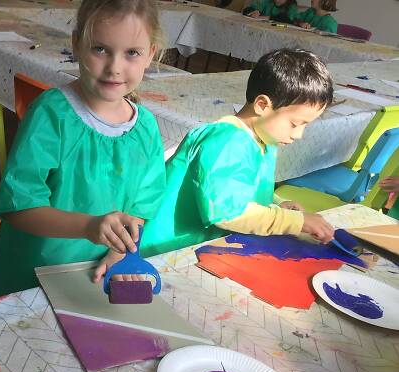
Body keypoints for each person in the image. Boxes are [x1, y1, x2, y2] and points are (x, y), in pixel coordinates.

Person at [0, 0, 166, 301]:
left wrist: (118, 251)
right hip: (30, 275)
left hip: (95, 278)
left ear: (150, 54)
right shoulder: (52, 115)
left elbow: (142, 207)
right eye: (100, 49)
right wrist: (89, 226)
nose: (115, 67)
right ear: (76, 44)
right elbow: (18, 206)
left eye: (132, 53)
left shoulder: (146, 129)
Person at [142, 48, 336, 257]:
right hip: (166, 251)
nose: (298, 135)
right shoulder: (226, 142)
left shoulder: (265, 140)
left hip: (202, 247)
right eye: (295, 123)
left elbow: (243, 194)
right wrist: (294, 222)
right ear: (262, 105)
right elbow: (228, 213)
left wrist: (277, 206)